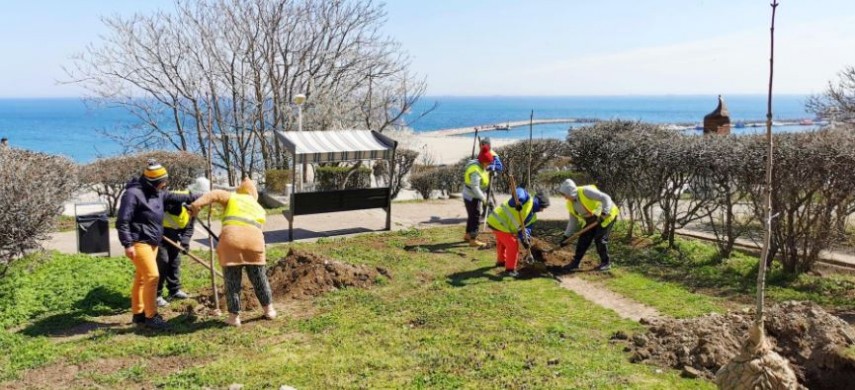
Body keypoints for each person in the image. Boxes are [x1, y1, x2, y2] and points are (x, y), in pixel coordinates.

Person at [116, 160, 196, 330]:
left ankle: (138, 315)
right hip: (139, 242)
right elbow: (122, 221)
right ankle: (151, 316)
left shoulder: (158, 193)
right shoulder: (133, 194)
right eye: (163, 181)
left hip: (152, 242)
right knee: (152, 277)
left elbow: (180, 197)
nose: (165, 184)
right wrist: (127, 244)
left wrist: (204, 197)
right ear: (153, 182)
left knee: (141, 280)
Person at [188, 177, 276, 327]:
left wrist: (196, 206)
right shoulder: (259, 208)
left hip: (231, 243)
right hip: (254, 243)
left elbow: (214, 194)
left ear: (240, 191)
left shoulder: (233, 197)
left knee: (232, 282)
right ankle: (269, 310)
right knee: (260, 279)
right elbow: (259, 230)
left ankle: (234, 318)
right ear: (254, 194)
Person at [155, 180, 207, 307]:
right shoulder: (176, 199)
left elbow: (189, 228)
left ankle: (174, 290)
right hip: (159, 233)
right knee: (163, 261)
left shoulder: (193, 210)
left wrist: (185, 242)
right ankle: (156, 295)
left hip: (173, 235)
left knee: (174, 260)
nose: (199, 209)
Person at [557, 179, 619, 272]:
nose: (565, 198)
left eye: (565, 195)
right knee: (583, 239)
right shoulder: (570, 204)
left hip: (607, 215)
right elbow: (573, 222)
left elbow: (605, 198)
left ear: (570, 192)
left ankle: (606, 263)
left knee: (600, 238)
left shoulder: (585, 191)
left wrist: (605, 212)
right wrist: (566, 236)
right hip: (592, 219)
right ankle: (575, 263)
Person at [487, 188, 550, 277]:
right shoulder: (527, 200)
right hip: (498, 222)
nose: (542, 210)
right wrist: (519, 201)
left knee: (502, 243)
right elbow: (519, 191)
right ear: (539, 203)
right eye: (543, 207)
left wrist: (525, 239)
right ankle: (510, 270)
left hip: (500, 225)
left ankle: (501, 261)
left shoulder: (533, 217)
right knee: (513, 245)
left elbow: (525, 229)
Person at [462, 146, 494, 247]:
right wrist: (484, 200)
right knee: (475, 217)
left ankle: (467, 235)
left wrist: (490, 170)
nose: (488, 164)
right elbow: (475, 188)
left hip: (470, 195)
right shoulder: (475, 171)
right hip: (472, 196)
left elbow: (483, 170)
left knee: (471, 216)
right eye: (488, 163)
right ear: (482, 161)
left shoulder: (479, 163)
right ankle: (473, 239)